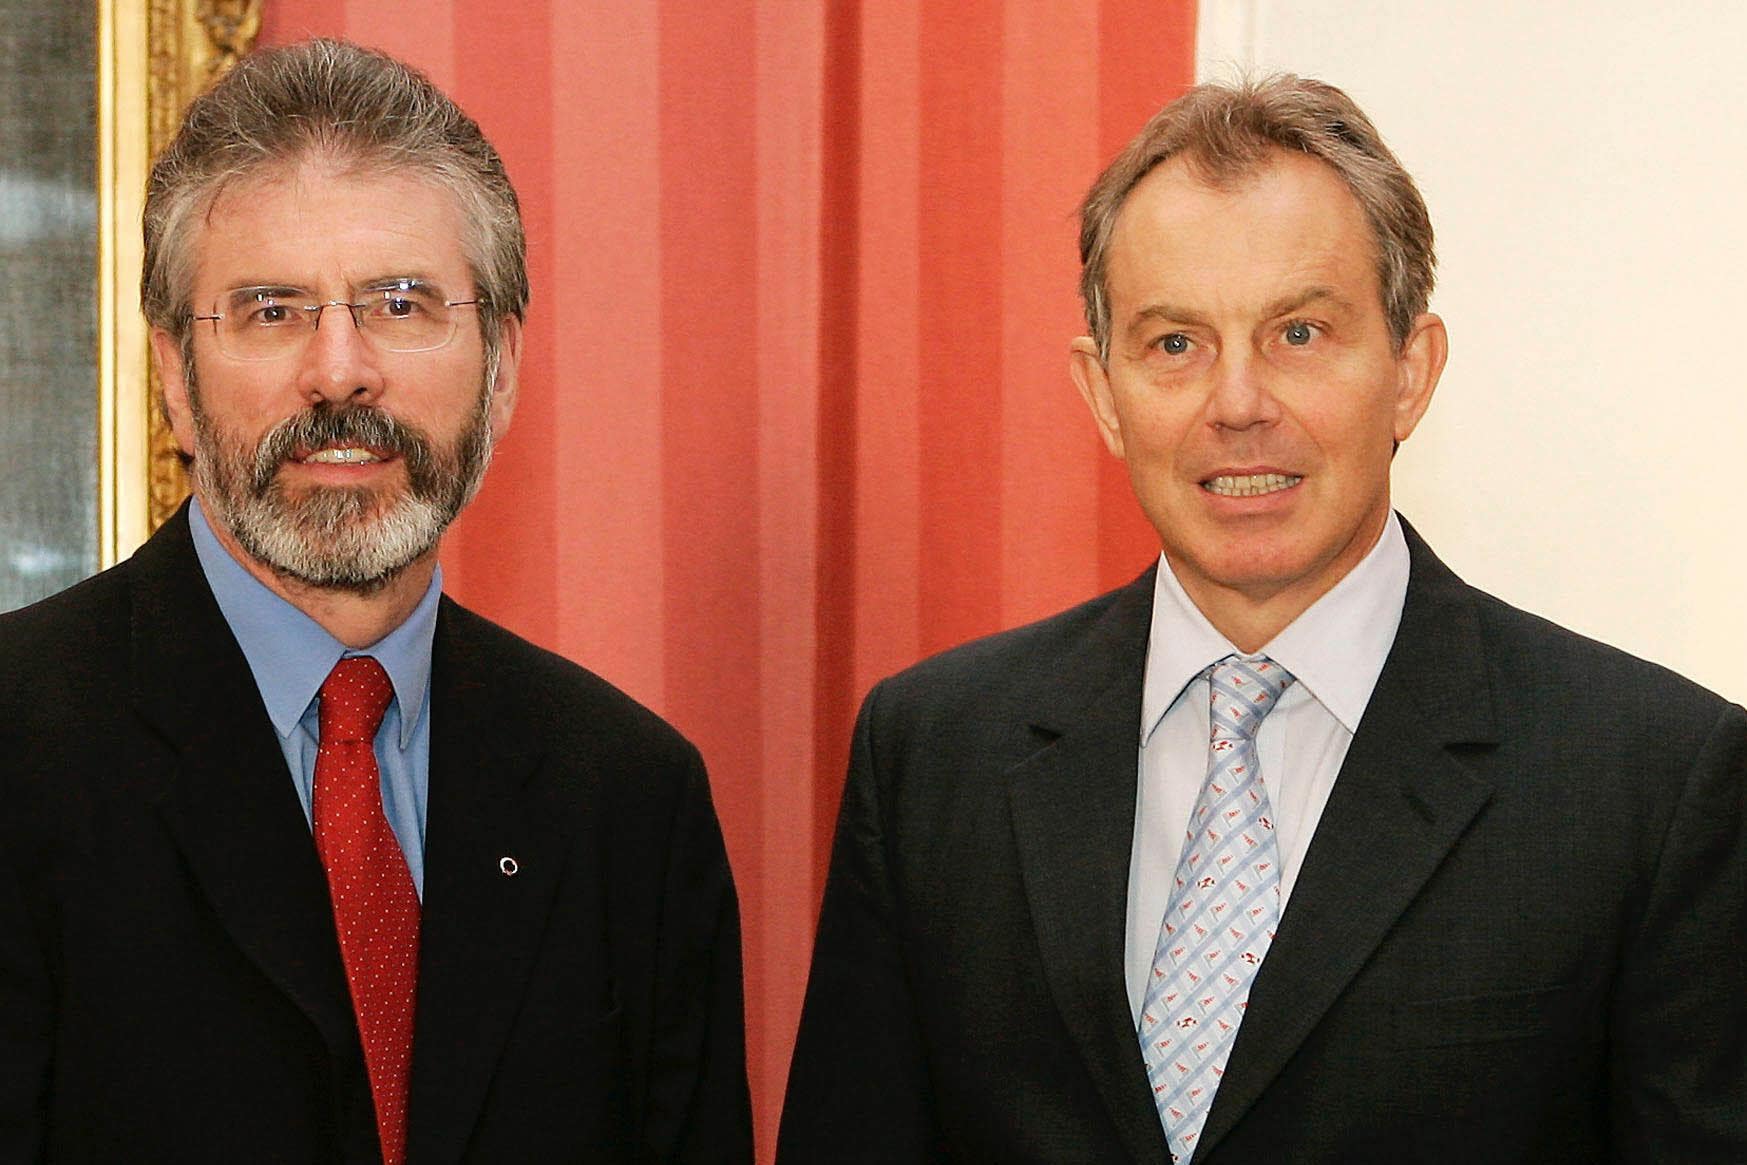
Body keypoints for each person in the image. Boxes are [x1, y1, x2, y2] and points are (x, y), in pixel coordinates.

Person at [779, 76, 1746, 1163]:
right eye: (1175, 344)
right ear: (1103, 393)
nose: (1237, 403)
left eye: (1298, 331)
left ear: (1409, 374)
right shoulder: (933, 752)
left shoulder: (1650, 782)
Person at [0, 39, 751, 1164]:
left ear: (500, 369)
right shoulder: (18, 745)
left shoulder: (628, 802)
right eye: (270, 310)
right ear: (172, 376)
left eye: (400, 304)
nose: (340, 370)